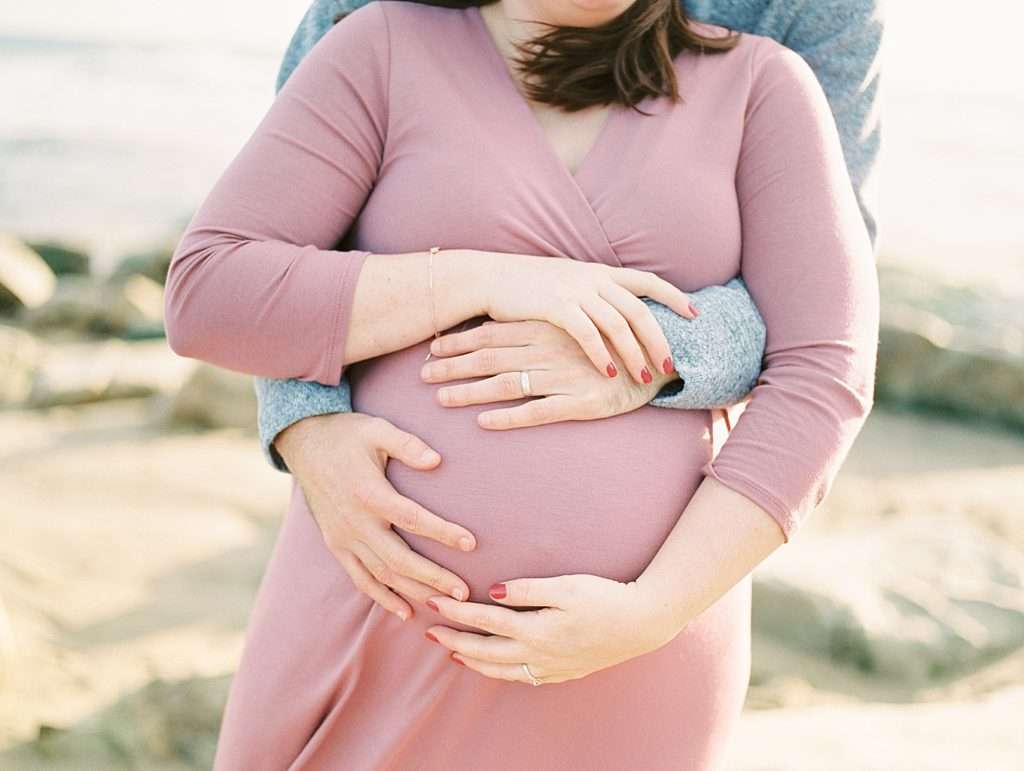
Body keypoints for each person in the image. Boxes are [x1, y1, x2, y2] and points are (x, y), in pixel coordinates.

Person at [163, 1, 881, 768]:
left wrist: (656, 607)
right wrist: (479, 282)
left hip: (631, 660)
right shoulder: (377, 44)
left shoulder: (766, 87)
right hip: (378, 617)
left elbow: (825, 363)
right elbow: (215, 292)